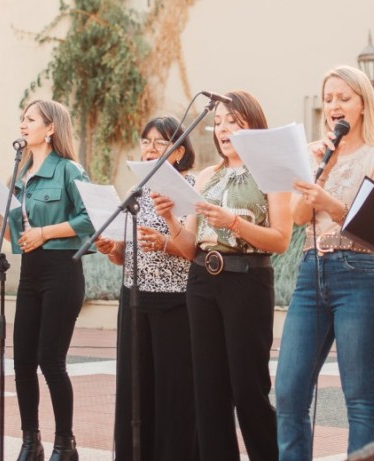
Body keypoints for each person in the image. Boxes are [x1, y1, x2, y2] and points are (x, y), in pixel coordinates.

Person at [151, 90, 293, 460]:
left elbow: (281, 240)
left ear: (254, 126)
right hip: (201, 281)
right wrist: (169, 218)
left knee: (249, 390)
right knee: (209, 393)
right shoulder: (206, 177)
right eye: (218, 122)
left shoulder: (272, 173)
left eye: (234, 121)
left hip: (247, 281)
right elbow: (187, 247)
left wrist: (232, 222)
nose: (223, 129)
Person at [275, 65, 374, 458]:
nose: (334, 106)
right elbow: (297, 217)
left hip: (359, 274)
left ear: (363, 104)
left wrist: (329, 201)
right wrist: (319, 167)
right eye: (328, 99)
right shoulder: (316, 154)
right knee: (289, 392)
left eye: (344, 98)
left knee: (360, 399)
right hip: (312, 272)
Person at [0, 100, 94, 461]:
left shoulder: (69, 170)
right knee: (22, 362)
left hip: (62, 270)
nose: (23, 124)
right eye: (22, 118)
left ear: (50, 128)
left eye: (30, 119)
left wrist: (46, 232)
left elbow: (90, 220)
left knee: (51, 359)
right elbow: (16, 232)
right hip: (30, 271)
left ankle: (66, 443)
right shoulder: (20, 175)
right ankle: (30, 442)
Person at [94, 116, 199, 461]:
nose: (150, 147)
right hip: (135, 299)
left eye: (160, 142)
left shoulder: (192, 188)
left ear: (179, 152)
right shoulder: (135, 193)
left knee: (173, 391)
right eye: (146, 141)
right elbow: (125, 256)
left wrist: (166, 243)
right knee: (136, 389)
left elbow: (194, 250)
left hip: (176, 302)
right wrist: (112, 249)